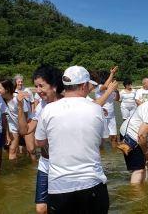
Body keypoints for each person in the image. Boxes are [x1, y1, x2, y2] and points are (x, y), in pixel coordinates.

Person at [35, 66, 109, 213]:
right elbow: (102, 141)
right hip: (92, 183)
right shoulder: (96, 109)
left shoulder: (48, 110)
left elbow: (39, 142)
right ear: (83, 85)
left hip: (59, 186)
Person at [17, 66, 64, 214]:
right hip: (45, 162)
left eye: (41, 86)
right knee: (41, 208)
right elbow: (25, 130)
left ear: (54, 86)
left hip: (64, 164)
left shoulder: (67, 103)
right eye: (36, 86)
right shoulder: (41, 106)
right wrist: (19, 106)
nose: (38, 90)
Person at [0, 79, 34, 161]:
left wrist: (23, 131)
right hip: (13, 125)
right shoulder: (0, 99)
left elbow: (26, 115)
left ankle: (34, 165)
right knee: (12, 149)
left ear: (7, 89)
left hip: (26, 123)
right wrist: (7, 134)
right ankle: (13, 170)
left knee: (31, 150)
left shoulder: (18, 99)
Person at [94, 67, 120, 147]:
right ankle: (102, 156)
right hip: (102, 114)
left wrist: (116, 90)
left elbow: (117, 99)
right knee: (102, 138)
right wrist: (112, 73)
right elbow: (105, 87)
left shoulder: (111, 89)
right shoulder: (99, 87)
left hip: (111, 115)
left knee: (114, 137)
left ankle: (114, 156)